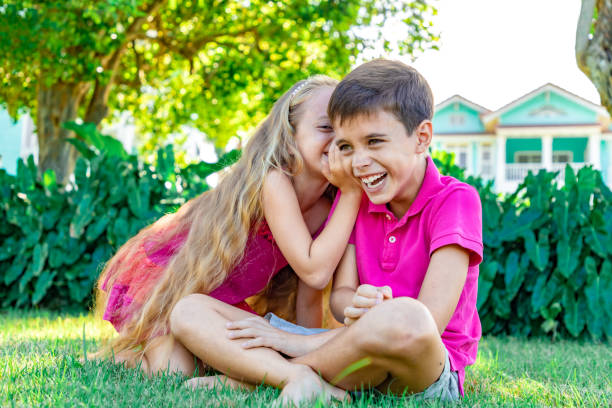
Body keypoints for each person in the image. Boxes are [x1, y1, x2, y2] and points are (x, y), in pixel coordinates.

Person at [222, 59, 483, 403]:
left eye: (374, 141)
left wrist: (293, 340)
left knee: (407, 317)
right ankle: (303, 378)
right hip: (356, 353)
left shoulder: (456, 200)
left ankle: (270, 371)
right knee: (191, 310)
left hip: (424, 369)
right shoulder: (360, 204)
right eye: (346, 146)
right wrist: (358, 306)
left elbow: (428, 322)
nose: (358, 161)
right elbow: (341, 297)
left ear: (422, 138)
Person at [92, 75, 361, 394]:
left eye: (344, 130)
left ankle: (248, 378)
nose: (338, 140)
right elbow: (315, 271)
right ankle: (126, 357)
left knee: (243, 353)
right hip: (172, 282)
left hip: (215, 303)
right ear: (290, 138)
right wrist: (352, 189)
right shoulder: (274, 181)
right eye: (325, 127)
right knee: (174, 372)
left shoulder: (328, 208)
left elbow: (310, 295)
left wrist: (310, 354)